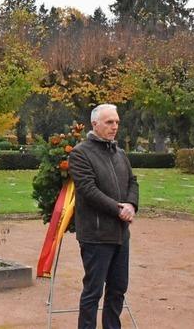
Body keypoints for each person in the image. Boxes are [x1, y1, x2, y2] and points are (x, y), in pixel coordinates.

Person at [68, 104, 139, 329]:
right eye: (109, 122)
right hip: (96, 235)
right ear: (95, 124)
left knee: (118, 289)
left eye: (117, 122)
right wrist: (119, 209)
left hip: (120, 235)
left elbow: (132, 182)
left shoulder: (120, 153)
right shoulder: (80, 153)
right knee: (93, 292)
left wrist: (132, 204)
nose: (115, 126)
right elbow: (88, 190)